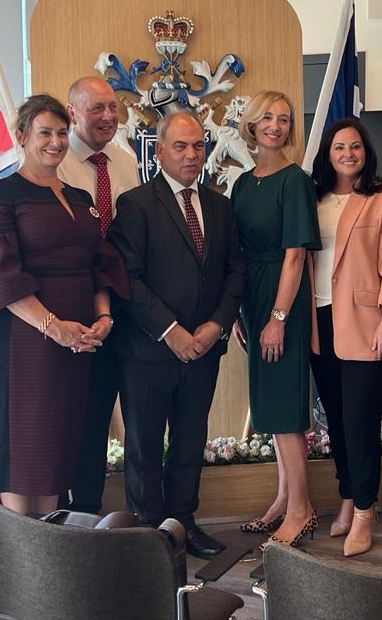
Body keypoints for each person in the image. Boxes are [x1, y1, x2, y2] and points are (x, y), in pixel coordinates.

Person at [0, 94, 129, 516]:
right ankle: (24, 551)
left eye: (61, 132)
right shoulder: (1, 196)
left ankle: (50, 548)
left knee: (60, 442)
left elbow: (98, 264)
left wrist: (104, 314)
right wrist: (53, 326)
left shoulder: (78, 197)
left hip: (79, 342)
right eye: (45, 133)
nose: (55, 142)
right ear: (22, 136)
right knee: (26, 444)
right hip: (25, 341)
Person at [107, 112, 245, 558]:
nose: (191, 155)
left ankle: (184, 523)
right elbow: (130, 278)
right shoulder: (135, 204)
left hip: (204, 350)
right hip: (149, 350)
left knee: (190, 442)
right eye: (181, 146)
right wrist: (171, 331)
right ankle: (150, 536)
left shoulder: (221, 206)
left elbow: (234, 273)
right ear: (159, 151)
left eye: (198, 146)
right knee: (145, 447)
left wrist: (215, 326)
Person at [309, 119, 382, 557]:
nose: (347, 153)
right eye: (338, 147)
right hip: (319, 320)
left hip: (368, 322)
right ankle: (348, 496)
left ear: (365, 151)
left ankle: (366, 511)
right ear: (327, 154)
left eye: (355, 146)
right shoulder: (313, 198)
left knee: (361, 420)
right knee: (335, 418)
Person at [231, 90, 321, 549]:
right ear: (251, 123)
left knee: (285, 406)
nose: (276, 125)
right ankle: (284, 497)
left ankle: (302, 509)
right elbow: (238, 252)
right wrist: (240, 313)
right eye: (267, 117)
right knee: (268, 402)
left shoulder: (294, 180)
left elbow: (294, 256)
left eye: (284, 119)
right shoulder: (245, 184)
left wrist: (278, 318)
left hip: (283, 297)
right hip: (254, 297)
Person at [58, 76, 141, 514]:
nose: (109, 116)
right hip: (73, 310)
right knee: (82, 420)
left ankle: (122, 515)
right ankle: (78, 513)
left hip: (123, 306)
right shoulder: (55, 162)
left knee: (125, 410)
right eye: (97, 109)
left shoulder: (125, 163)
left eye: (113, 107)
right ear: (73, 112)